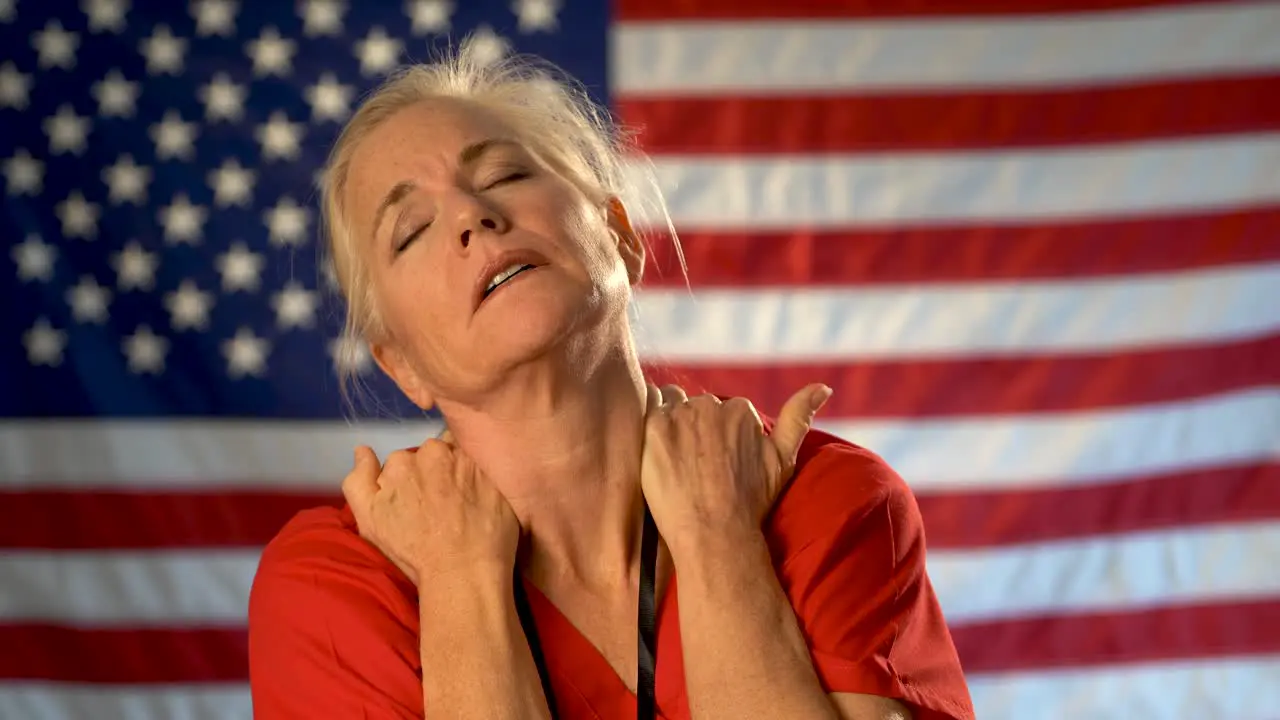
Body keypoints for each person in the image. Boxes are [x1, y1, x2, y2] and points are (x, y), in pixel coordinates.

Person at [247, 38, 976, 720]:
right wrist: (461, 582)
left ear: (619, 235)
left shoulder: (822, 499)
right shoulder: (332, 584)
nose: (472, 214)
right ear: (401, 363)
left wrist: (720, 540)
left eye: (505, 174)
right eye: (410, 230)